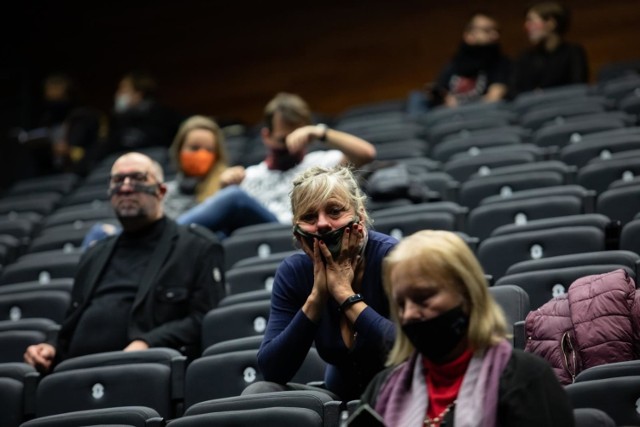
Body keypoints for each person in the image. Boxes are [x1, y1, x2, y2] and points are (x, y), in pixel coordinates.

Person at [24, 152, 226, 373]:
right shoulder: (94, 254)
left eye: (138, 178)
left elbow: (205, 319)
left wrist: (148, 342)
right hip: (74, 373)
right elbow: (71, 325)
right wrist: (51, 348)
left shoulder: (197, 247)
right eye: (118, 180)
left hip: (144, 372)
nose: (126, 188)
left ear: (161, 191)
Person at [355, 230, 574, 427]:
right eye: (400, 304)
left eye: (423, 298)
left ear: (467, 295)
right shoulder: (382, 390)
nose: (409, 313)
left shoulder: (526, 379)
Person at [242, 165, 397, 401]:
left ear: (360, 215)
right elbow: (273, 370)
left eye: (335, 211)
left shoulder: (394, 258)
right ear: (297, 231)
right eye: (309, 217)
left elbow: (409, 348)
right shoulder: (294, 272)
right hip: (336, 398)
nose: (323, 224)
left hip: (398, 390)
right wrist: (317, 296)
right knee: (259, 392)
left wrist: (345, 294)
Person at [176, 92, 376, 237]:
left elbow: (366, 154)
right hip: (260, 240)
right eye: (283, 139)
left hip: (299, 232)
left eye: (297, 138)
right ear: (266, 136)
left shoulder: (324, 164)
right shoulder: (249, 176)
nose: (290, 146)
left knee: (233, 198)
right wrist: (223, 187)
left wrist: (320, 132)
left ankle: (168, 234)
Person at [407, 11, 510, 116]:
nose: (494, 35)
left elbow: (494, 99)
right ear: (469, 35)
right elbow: (441, 90)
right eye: (487, 30)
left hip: (481, 117)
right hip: (450, 119)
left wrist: (458, 105)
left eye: (497, 31)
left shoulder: (502, 64)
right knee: (417, 97)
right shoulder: (455, 64)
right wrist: (438, 95)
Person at [510, 1, 589, 96]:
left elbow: (578, 87)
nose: (526, 26)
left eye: (531, 21)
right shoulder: (525, 57)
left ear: (551, 23)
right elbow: (514, 91)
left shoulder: (573, 52)